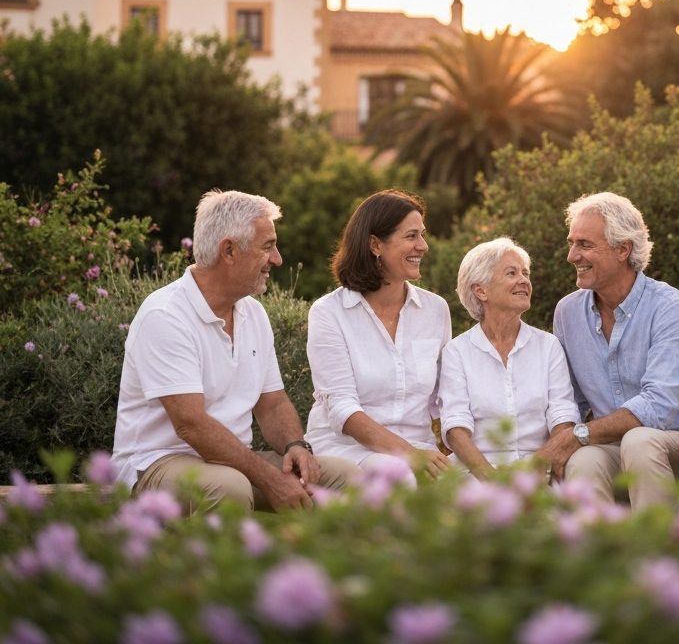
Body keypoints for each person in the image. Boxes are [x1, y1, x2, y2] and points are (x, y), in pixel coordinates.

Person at [111, 190, 356, 512]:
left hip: (232, 461)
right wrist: (269, 479)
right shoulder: (165, 316)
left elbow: (272, 404)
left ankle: (321, 563)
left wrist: (296, 445)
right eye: (267, 246)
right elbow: (191, 425)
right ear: (228, 250)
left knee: (348, 477)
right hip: (156, 463)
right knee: (230, 489)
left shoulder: (252, 313)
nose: (278, 259)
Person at [539, 192, 679, 509]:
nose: (571, 256)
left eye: (585, 245)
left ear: (623, 249)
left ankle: (657, 550)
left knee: (638, 440)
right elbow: (569, 400)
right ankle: (604, 554)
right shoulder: (567, 312)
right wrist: (564, 438)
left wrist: (575, 435)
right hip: (614, 445)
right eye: (571, 243)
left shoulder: (668, 307)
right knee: (584, 462)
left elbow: (656, 407)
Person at [304, 189, 452, 486]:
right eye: (411, 236)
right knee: (399, 479)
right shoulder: (329, 313)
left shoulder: (435, 310)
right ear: (375, 245)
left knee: (474, 491)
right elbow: (343, 410)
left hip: (417, 447)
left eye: (423, 235)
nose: (423, 246)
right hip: (347, 449)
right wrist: (409, 455)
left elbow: (446, 398)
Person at [438, 238, 579, 479]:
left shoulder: (548, 346)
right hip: (476, 473)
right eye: (511, 273)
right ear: (480, 290)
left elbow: (563, 415)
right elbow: (455, 427)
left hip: (539, 470)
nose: (524, 280)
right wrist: (491, 480)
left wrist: (537, 470)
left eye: (525, 273)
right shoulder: (457, 351)